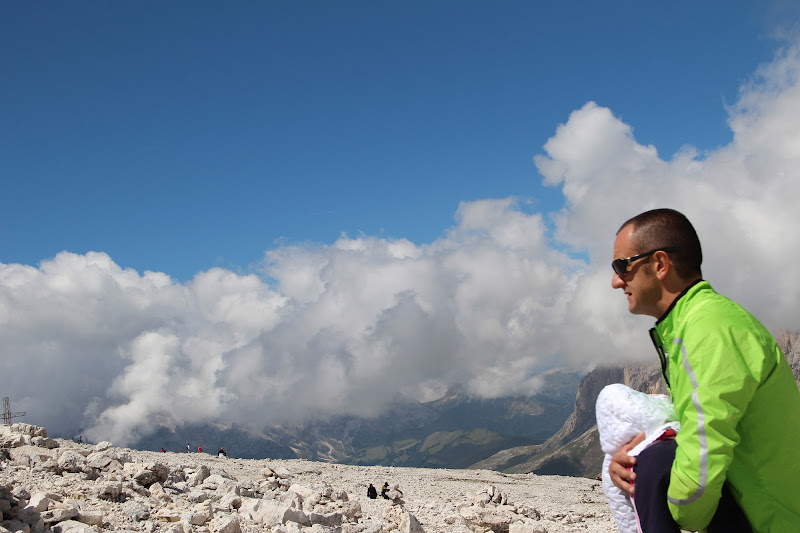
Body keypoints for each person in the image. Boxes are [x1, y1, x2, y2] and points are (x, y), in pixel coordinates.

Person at [609, 208, 800, 532]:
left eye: (622, 266)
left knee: (653, 465)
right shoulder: (697, 323)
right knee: (648, 459)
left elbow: (704, 452)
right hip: (758, 506)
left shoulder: (709, 330)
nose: (616, 281)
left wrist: (648, 477)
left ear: (659, 264)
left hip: (772, 521)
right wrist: (628, 460)